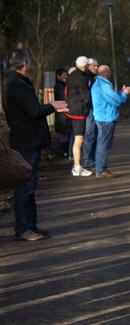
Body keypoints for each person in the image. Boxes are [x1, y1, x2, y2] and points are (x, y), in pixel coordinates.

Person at [1, 48, 69, 241]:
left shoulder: (17, 82)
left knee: (30, 185)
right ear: (25, 64)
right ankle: (23, 228)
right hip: (26, 142)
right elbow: (32, 110)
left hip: (28, 140)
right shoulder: (16, 84)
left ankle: (30, 224)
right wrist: (52, 106)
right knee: (24, 186)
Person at [91, 65, 130, 178]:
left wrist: (119, 92)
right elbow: (117, 101)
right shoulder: (103, 85)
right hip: (106, 118)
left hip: (102, 117)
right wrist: (125, 93)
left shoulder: (99, 84)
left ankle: (100, 168)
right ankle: (101, 169)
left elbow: (111, 97)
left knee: (101, 143)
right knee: (104, 144)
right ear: (107, 74)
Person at [66, 56, 93, 177]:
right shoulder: (81, 79)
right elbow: (86, 97)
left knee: (77, 139)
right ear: (85, 66)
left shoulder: (72, 76)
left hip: (73, 110)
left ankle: (77, 165)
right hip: (79, 112)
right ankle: (77, 166)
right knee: (79, 139)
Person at [81, 57, 99, 169]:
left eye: (97, 66)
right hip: (89, 110)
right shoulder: (87, 78)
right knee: (89, 135)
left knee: (94, 135)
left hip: (94, 109)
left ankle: (91, 158)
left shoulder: (94, 78)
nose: (96, 68)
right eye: (94, 65)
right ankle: (86, 159)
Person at [53, 67, 71, 158]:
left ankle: (67, 150)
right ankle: (65, 151)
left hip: (65, 111)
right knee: (64, 133)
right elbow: (63, 97)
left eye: (66, 74)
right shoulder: (59, 86)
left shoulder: (65, 84)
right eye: (63, 75)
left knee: (67, 132)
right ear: (58, 76)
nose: (65, 76)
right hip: (62, 113)